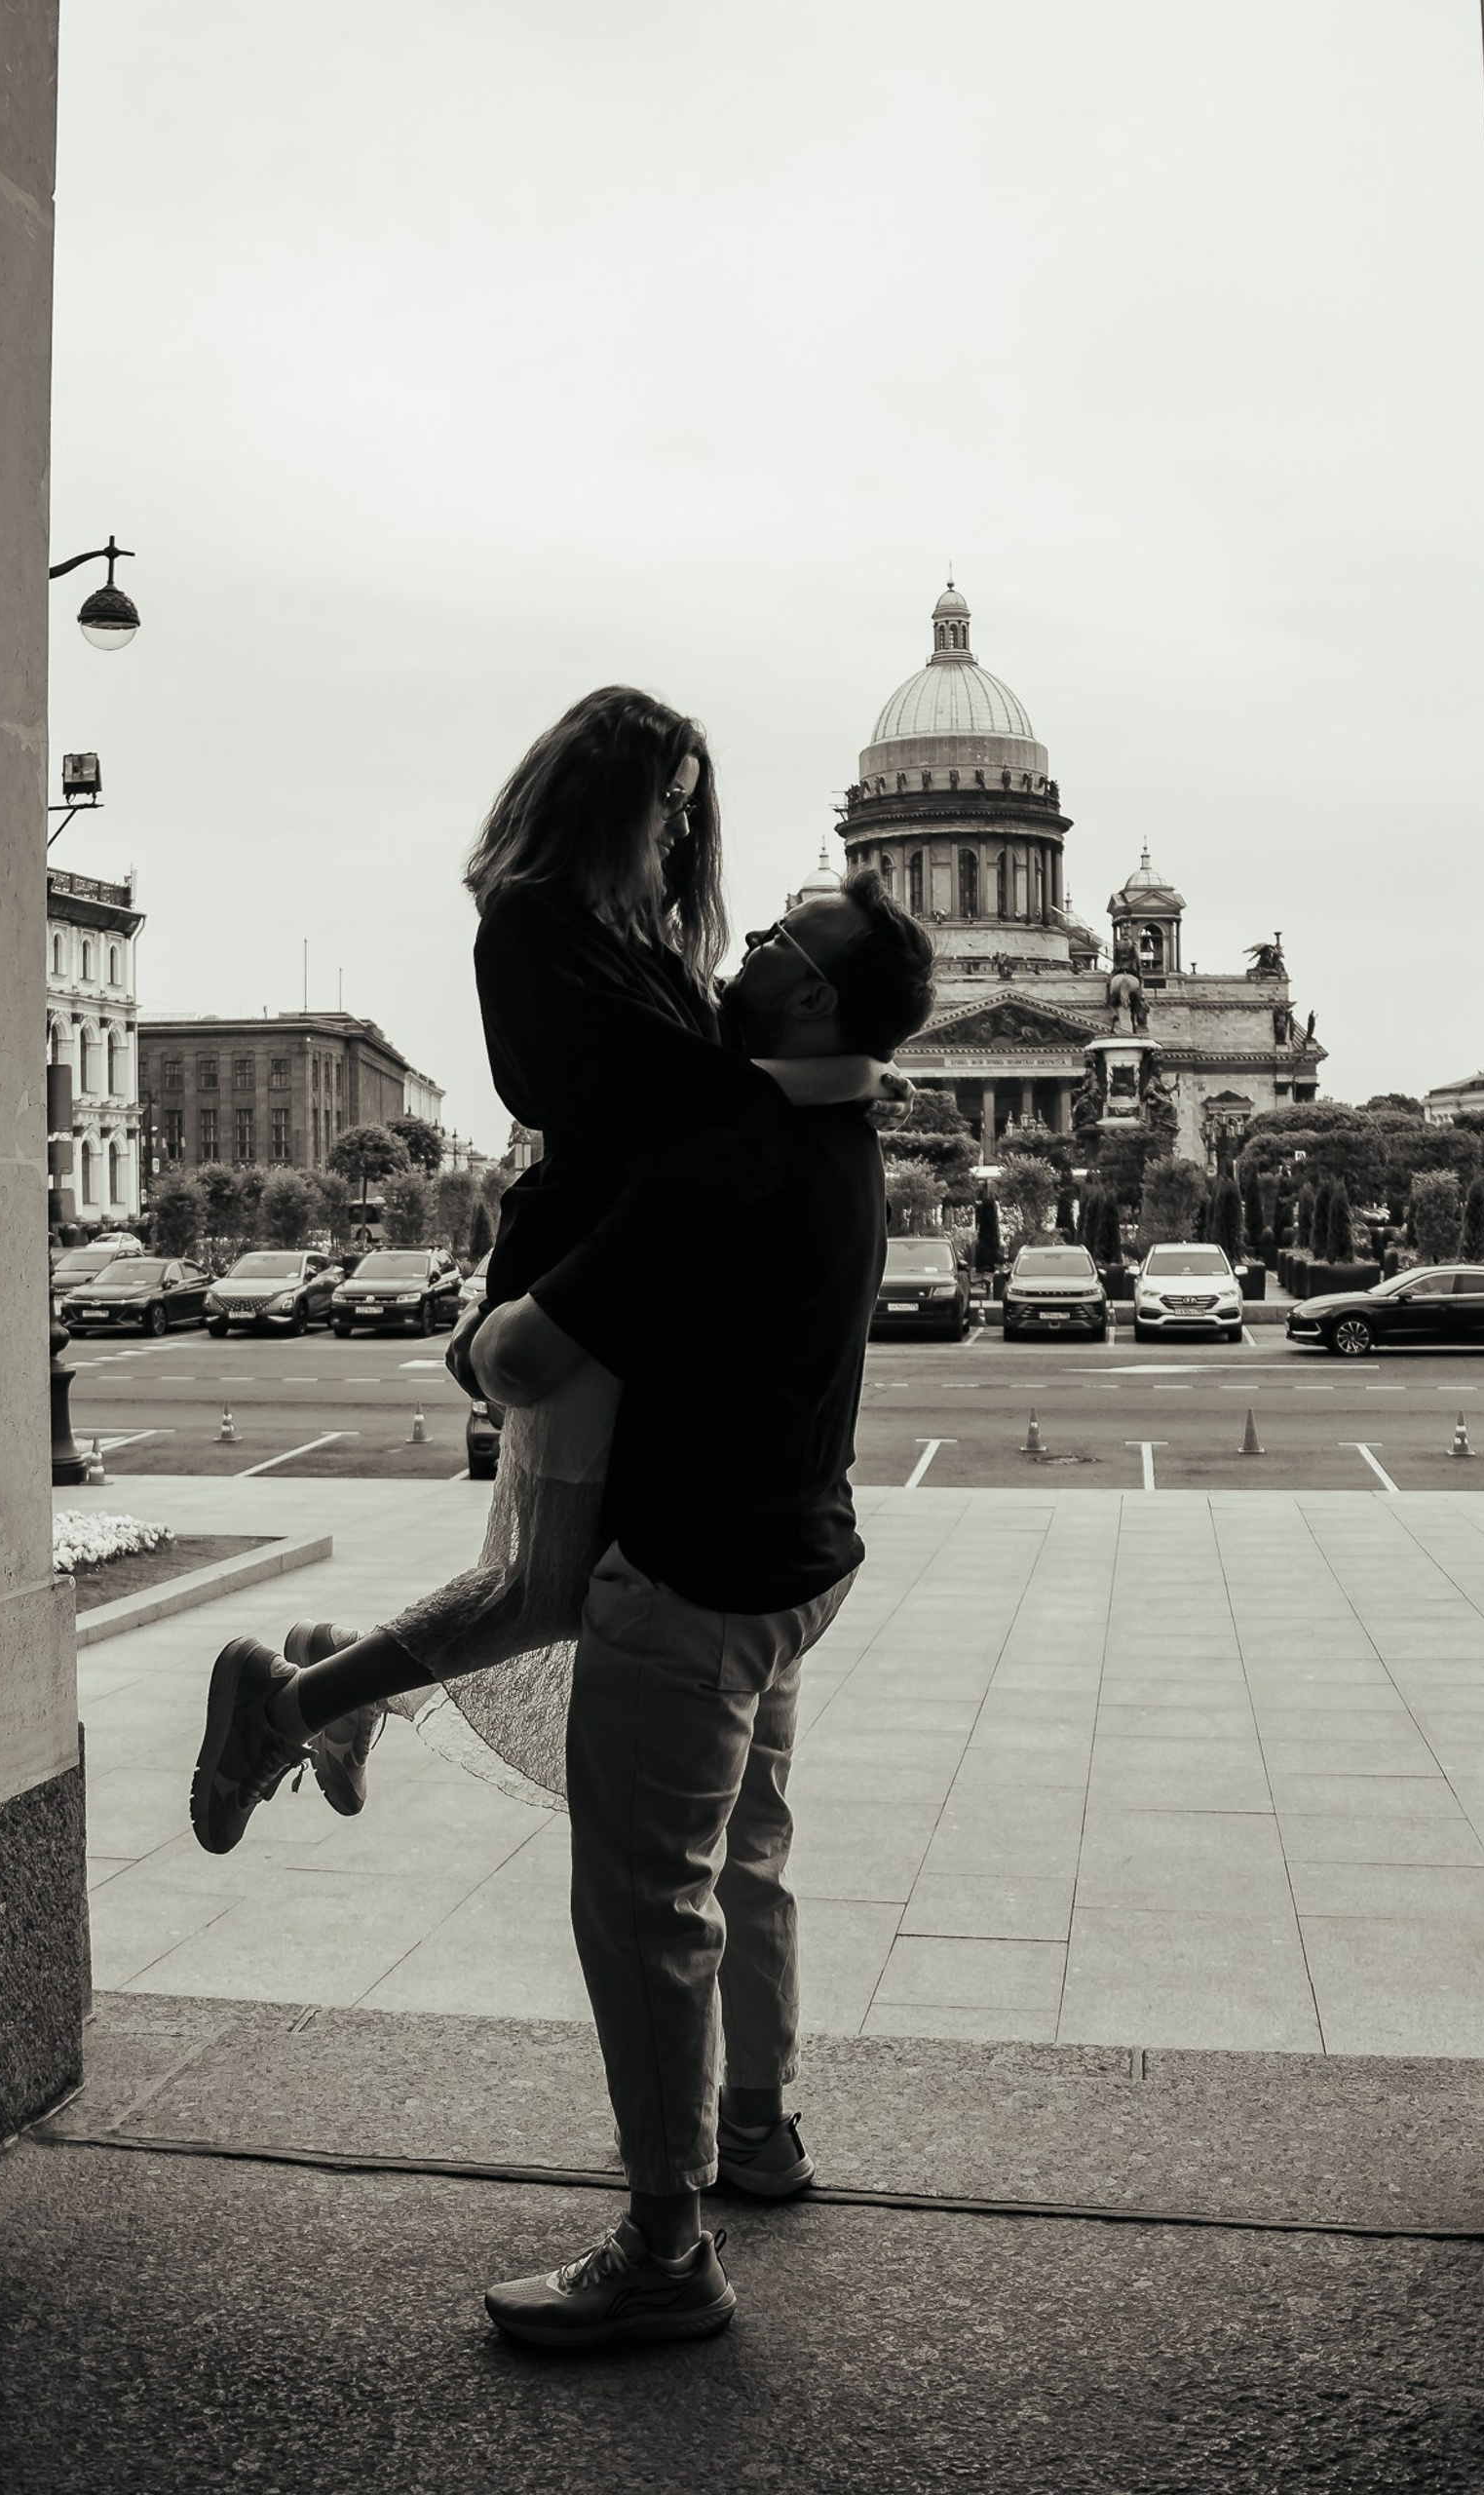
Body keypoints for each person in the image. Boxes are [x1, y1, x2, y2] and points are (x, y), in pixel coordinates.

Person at [189, 688, 895, 1852]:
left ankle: (322, 1682)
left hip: (623, 1281)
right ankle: (283, 1702)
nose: (681, 831)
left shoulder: (642, 938)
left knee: (554, 1583)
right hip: (577, 1276)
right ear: (603, 795)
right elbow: (620, 1087)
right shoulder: (531, 921)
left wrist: (813, 1084)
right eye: (666, 805)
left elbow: (704, 1079)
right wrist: (818, 1089)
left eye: (689, 809)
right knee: (543, 1587)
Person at [474, 869, 935, 2347]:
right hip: (800, 1563)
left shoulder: (732, 1149)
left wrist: (480, 1328)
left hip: (691, 1580)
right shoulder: (843, 1130)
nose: (739, 953)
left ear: (808, 993)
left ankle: (668, 2251)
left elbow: (530, 1364)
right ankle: (759, 2130)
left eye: (777, 944)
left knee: (643, 1907)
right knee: (752, 1860)